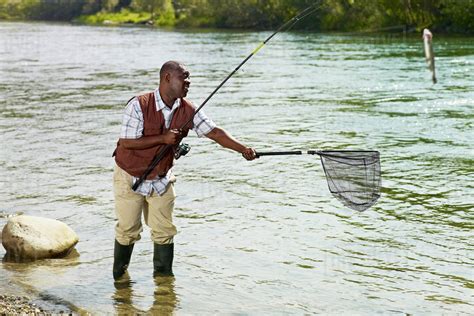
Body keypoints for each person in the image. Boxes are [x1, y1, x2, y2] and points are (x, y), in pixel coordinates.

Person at [112, 60, 256, 280]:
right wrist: (163, 138)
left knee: (164, 231)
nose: (188, 82)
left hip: (161, 177)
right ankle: (120, 282)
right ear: (167, 78)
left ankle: (164, 289)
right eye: (184, 77)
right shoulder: (139, 104)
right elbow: (127, 142)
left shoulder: (188, 109)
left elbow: (215, 132)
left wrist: (243, 149)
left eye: (188, 78)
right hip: (129, 175)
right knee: (128, 230)